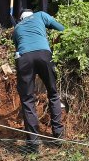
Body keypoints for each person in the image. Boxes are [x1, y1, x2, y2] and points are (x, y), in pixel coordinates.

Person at [11, 10, 66, 152]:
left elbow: (17, 47)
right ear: (31, 13)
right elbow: (61, 28)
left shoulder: (17, 27)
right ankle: (58, 135)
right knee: (53, 93)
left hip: (24, 58)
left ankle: (33, 143)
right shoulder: (41, 15)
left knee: (28, 99)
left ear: (20, 18)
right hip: (43, 54)